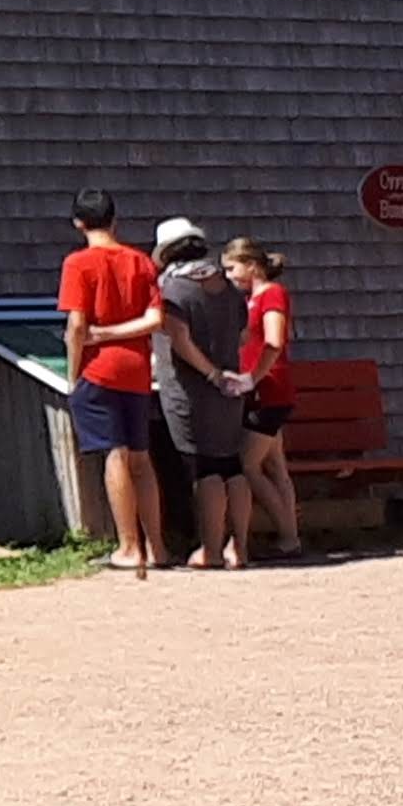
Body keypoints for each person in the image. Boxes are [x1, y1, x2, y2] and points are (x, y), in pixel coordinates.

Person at [57, 191, 164, 575]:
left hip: (99, 369)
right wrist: (118, 333)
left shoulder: (78, 263)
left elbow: (77, 325)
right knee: (141, 458)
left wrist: (74, 374)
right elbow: (155, 319)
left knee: (115, 455)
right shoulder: (140, 261)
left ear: (78, 223)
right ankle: (157, 546)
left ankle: (129, 546)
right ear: (114, 219)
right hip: (137, 368)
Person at [152, 219, 252, 572]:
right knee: (232, 466)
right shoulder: (228, 287)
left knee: (204, 467)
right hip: (232, 388)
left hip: (192, 390)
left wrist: (211, 373)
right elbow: (243, 335)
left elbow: (180, 340)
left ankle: (210, 549)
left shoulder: (174, 290)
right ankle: (240, 547)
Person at [227, 234, 303, 557]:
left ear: (252, 266)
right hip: (260, 389)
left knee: (247, 465)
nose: (229, 276)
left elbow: (274, 341)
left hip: (269, 391)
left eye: (232, 268)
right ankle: (291, 539)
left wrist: (252, 378)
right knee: (275, 465)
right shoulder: (250, 300)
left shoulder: (272, 294)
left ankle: (286, 533)